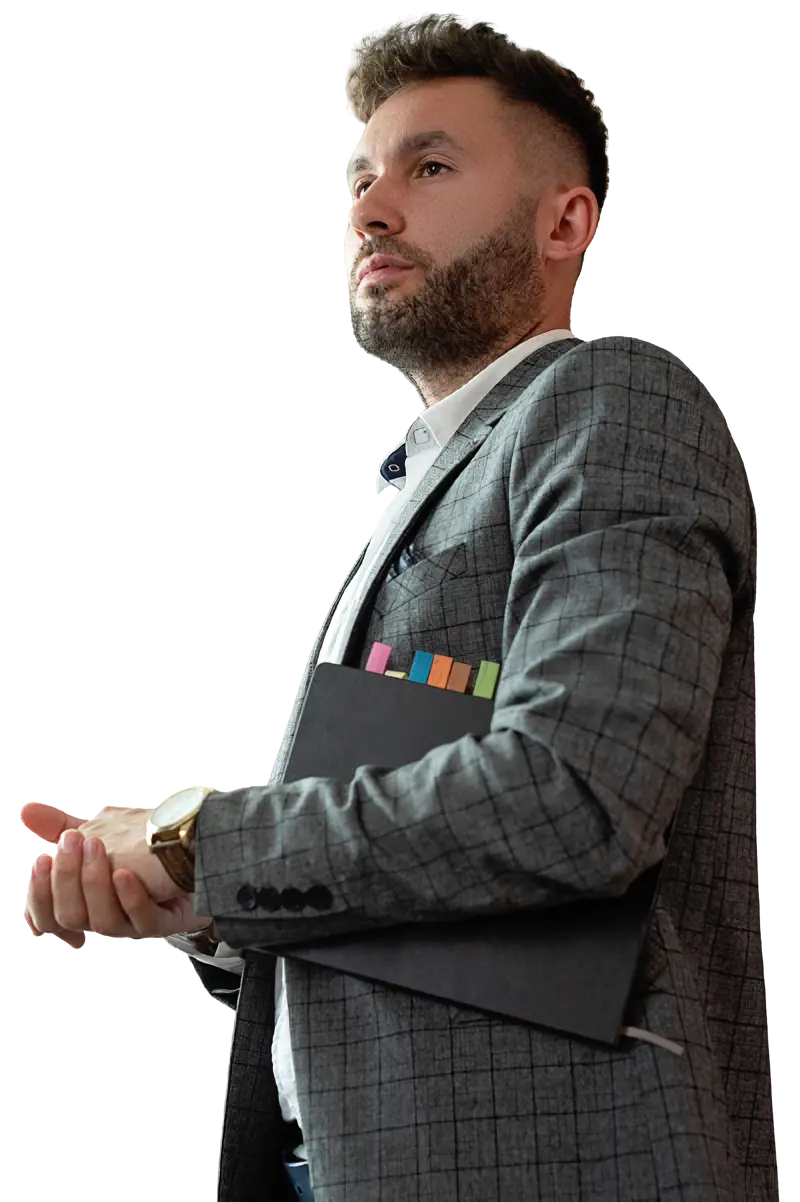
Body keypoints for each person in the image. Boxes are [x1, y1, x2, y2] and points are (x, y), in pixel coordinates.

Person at [24, 16, 777, 1202]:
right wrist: (196, 901)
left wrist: (202, 834)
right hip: (360, 1157)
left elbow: (575, 799)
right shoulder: (417, 482)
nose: (371, 211)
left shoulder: (608, 400)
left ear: (563, 222)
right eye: (359, 179)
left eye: (429, 168)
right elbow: (426, 888)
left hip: (552, 1161)